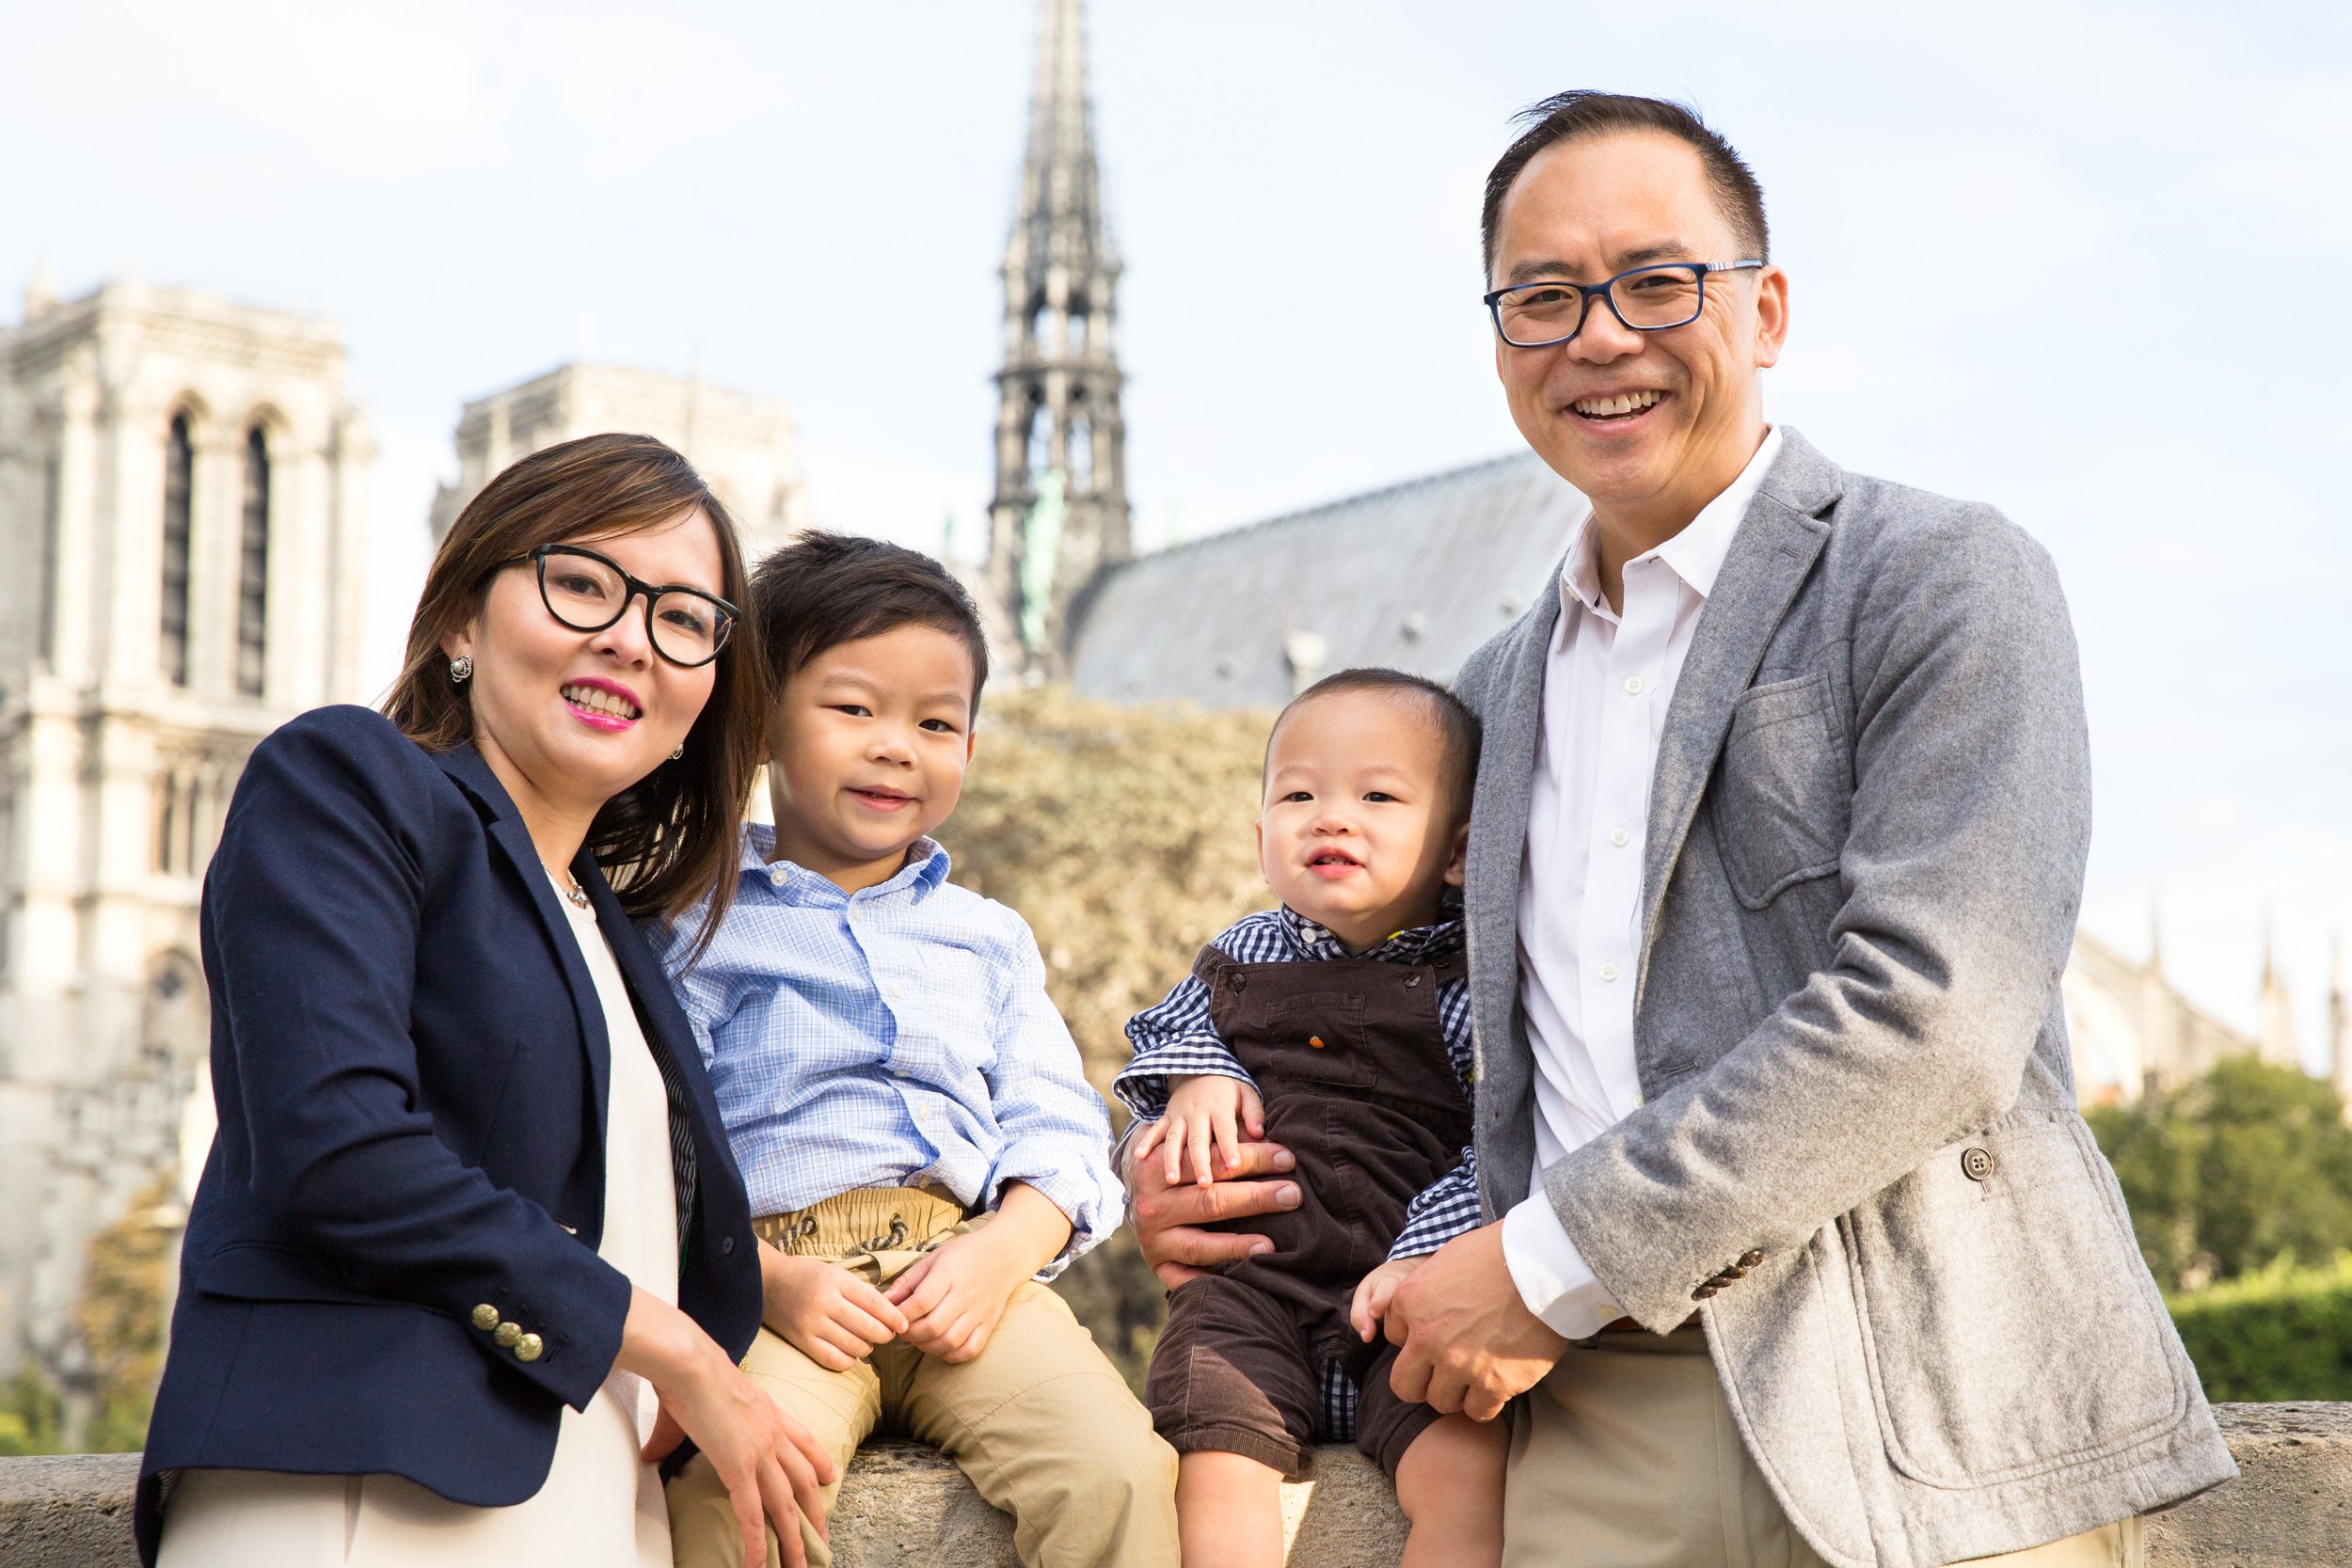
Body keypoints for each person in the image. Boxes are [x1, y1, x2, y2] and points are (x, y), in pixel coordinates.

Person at [1129, 92, 2237, 1568]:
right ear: (1503, 343)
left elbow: (1942, 1012)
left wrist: (1545, 1259)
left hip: (1920, 1381)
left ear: (1765, 309)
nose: (1600, 334)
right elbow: (1371, 1023)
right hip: (1588, 1411)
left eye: (1658, 281)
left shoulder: (1942, 577)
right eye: (1544, 297)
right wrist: (1199, 1166)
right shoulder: (1481, 699)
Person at [137, 434, 835, 1568]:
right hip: (364, 1496)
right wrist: (679, 1352)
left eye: (684, 617)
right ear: (463, 618)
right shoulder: (347, 781)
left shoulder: (620, 935)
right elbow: (340, 1147)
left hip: (592, 1511)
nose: (628, 635)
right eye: (581, 583)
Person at [660, 531, 1178, 1568]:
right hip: (779, 1282)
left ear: (971, 748)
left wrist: (1005, 1249)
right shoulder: (695, 924)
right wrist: (766, 1282)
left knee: (1120, 1468)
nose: (897, 744)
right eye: (853, 708)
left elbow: (1058, 1120)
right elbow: (662, 1146)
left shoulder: (987, 936)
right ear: (758, 717)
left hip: (966, 1271)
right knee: (737, 1482)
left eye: (936, 721)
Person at [1116, 668, 1507, 1568]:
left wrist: (1423, 1257)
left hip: (1409, 1300)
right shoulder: (1246, 952)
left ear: (1456, 852)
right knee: (1213, 1450)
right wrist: (1196, 1078)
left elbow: (1500, 1137)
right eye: (1300, 794)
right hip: (1255, 1288)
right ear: (1262, 837)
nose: (1332, 816)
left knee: (1467, 1472)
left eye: (1377, 795)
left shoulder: (1474, 985)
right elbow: (1162, 1031)